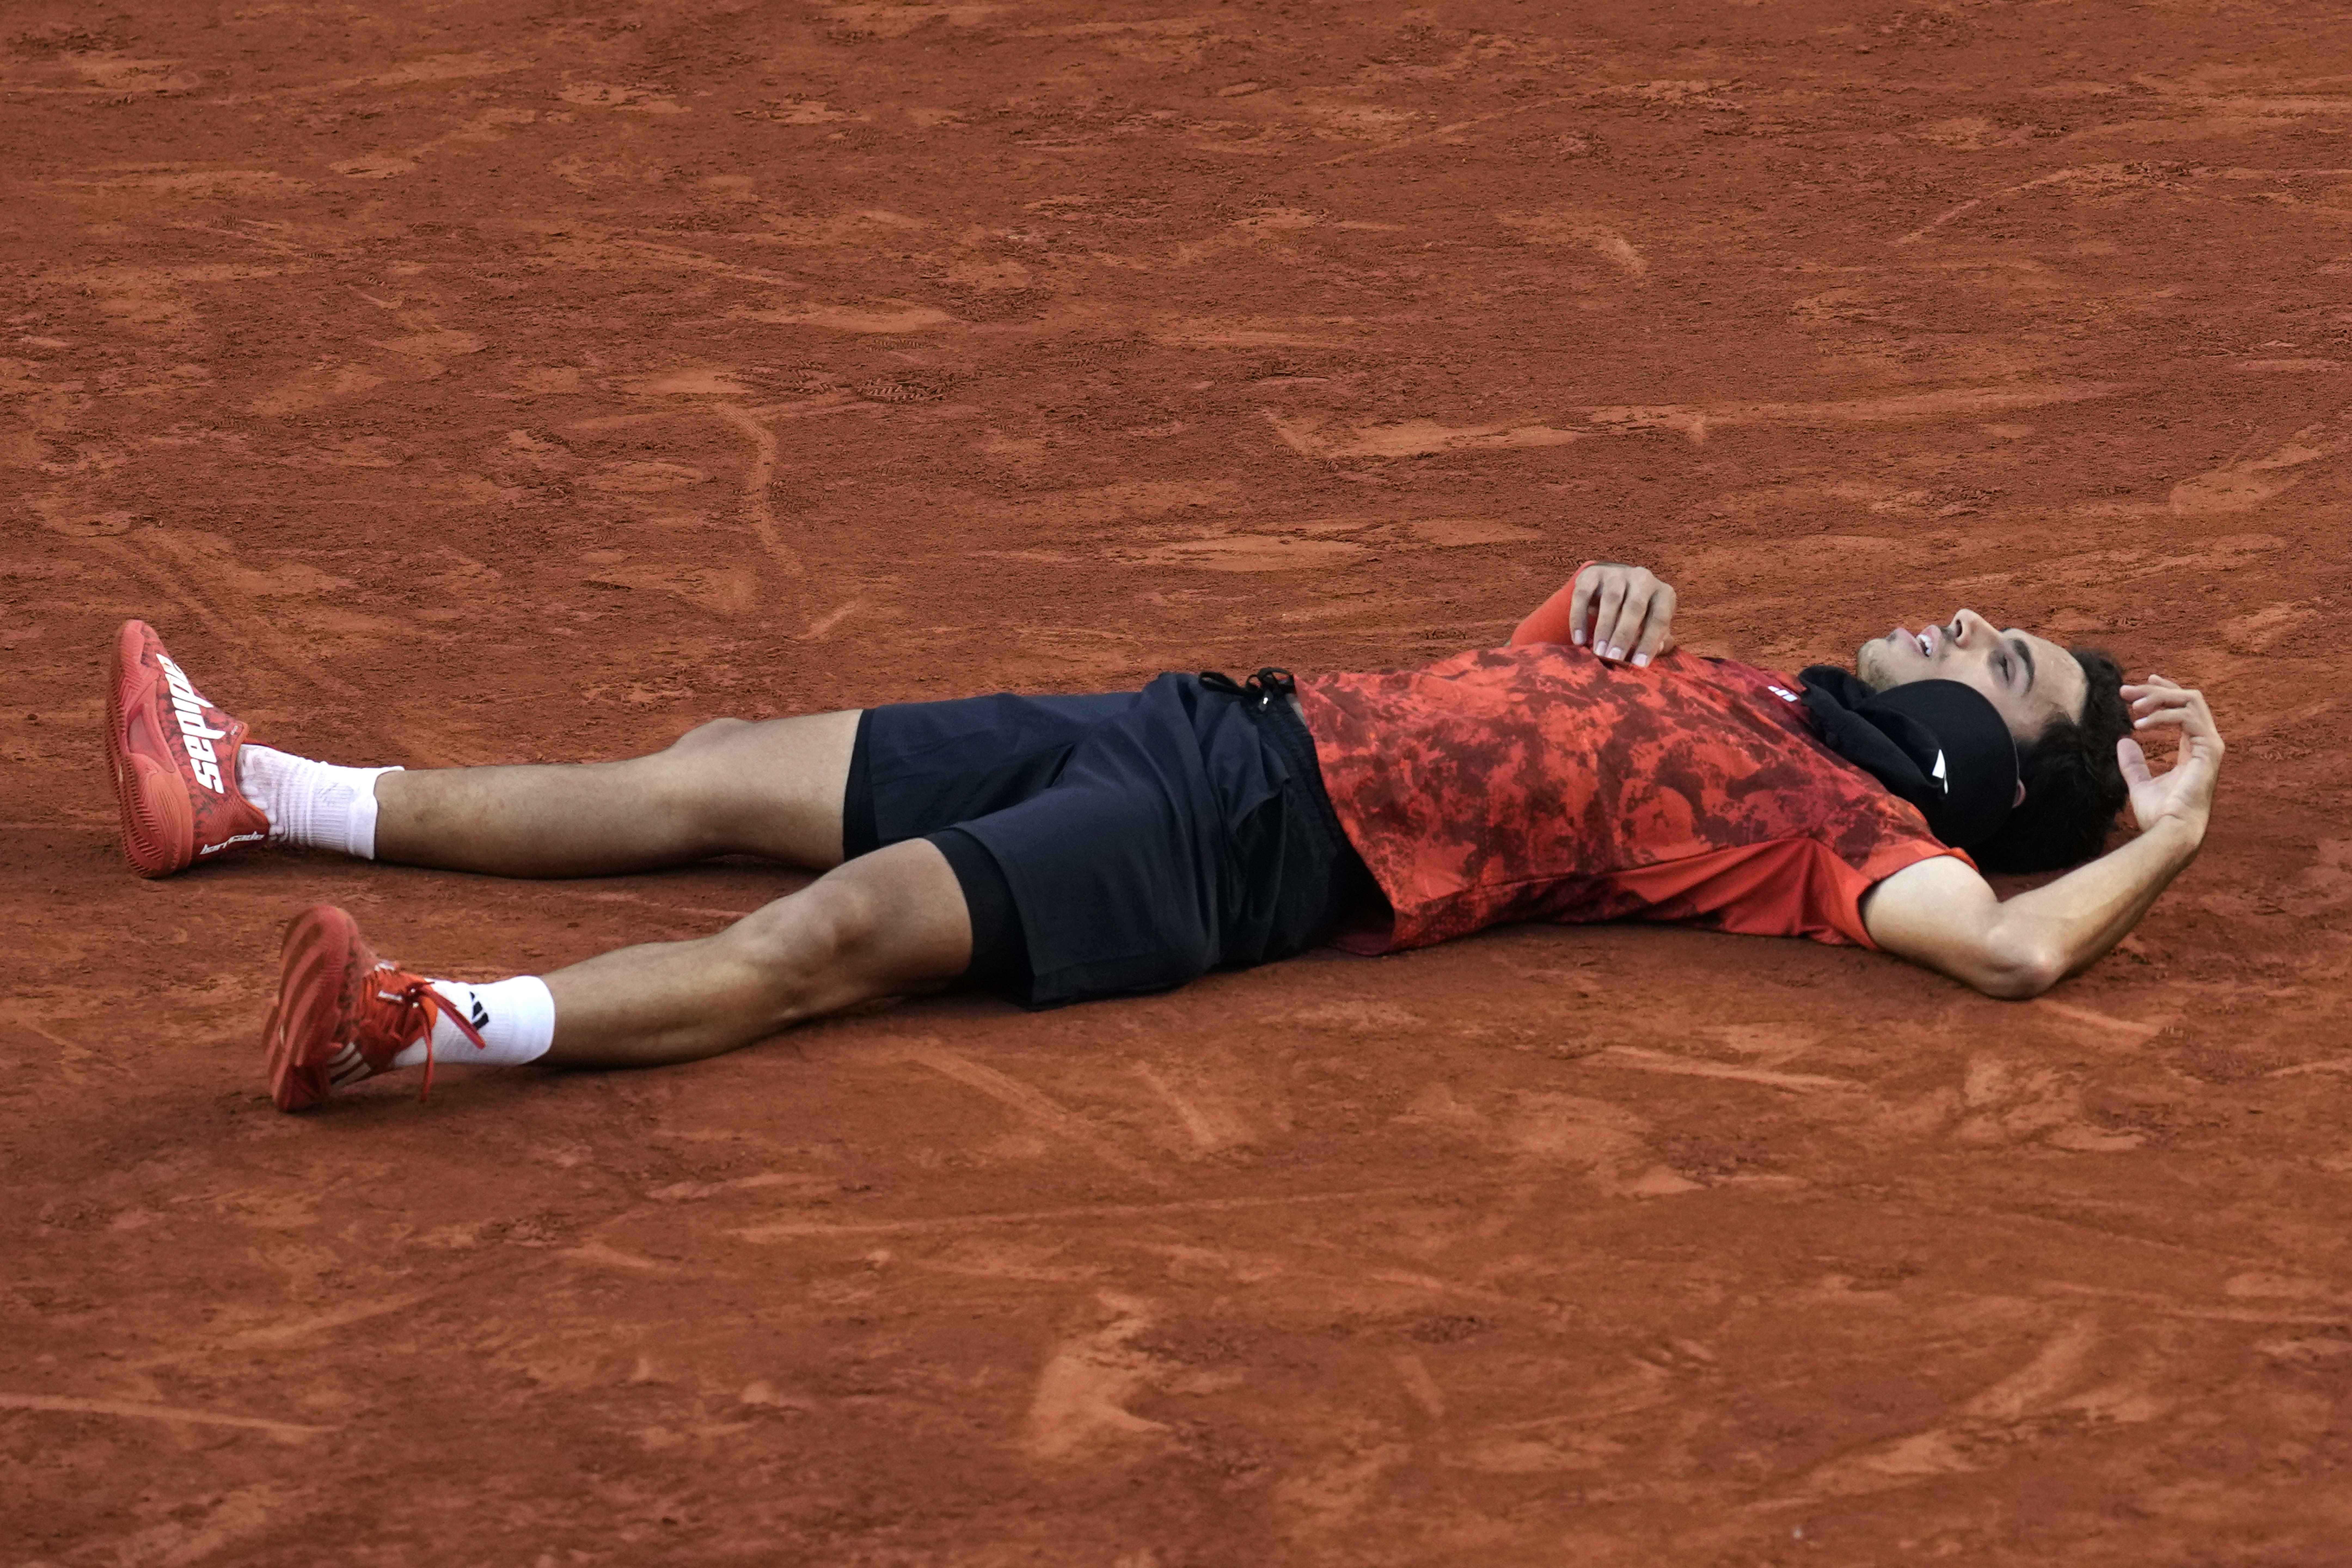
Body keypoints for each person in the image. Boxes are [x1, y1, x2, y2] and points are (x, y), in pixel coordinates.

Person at [102, 562, 2224, 1113]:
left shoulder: (1833, 828)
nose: (1969, 623)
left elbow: (2013, 951)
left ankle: (427, 1026)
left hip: (1226, 861)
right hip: (1195, 725)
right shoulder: (1754, 700)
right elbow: (1509, 729)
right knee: (717, 766)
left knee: (825, 936)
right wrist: (1585, 612)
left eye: (2009, 659)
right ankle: (256, 795)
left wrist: (2176, 828)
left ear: (1983, 759)